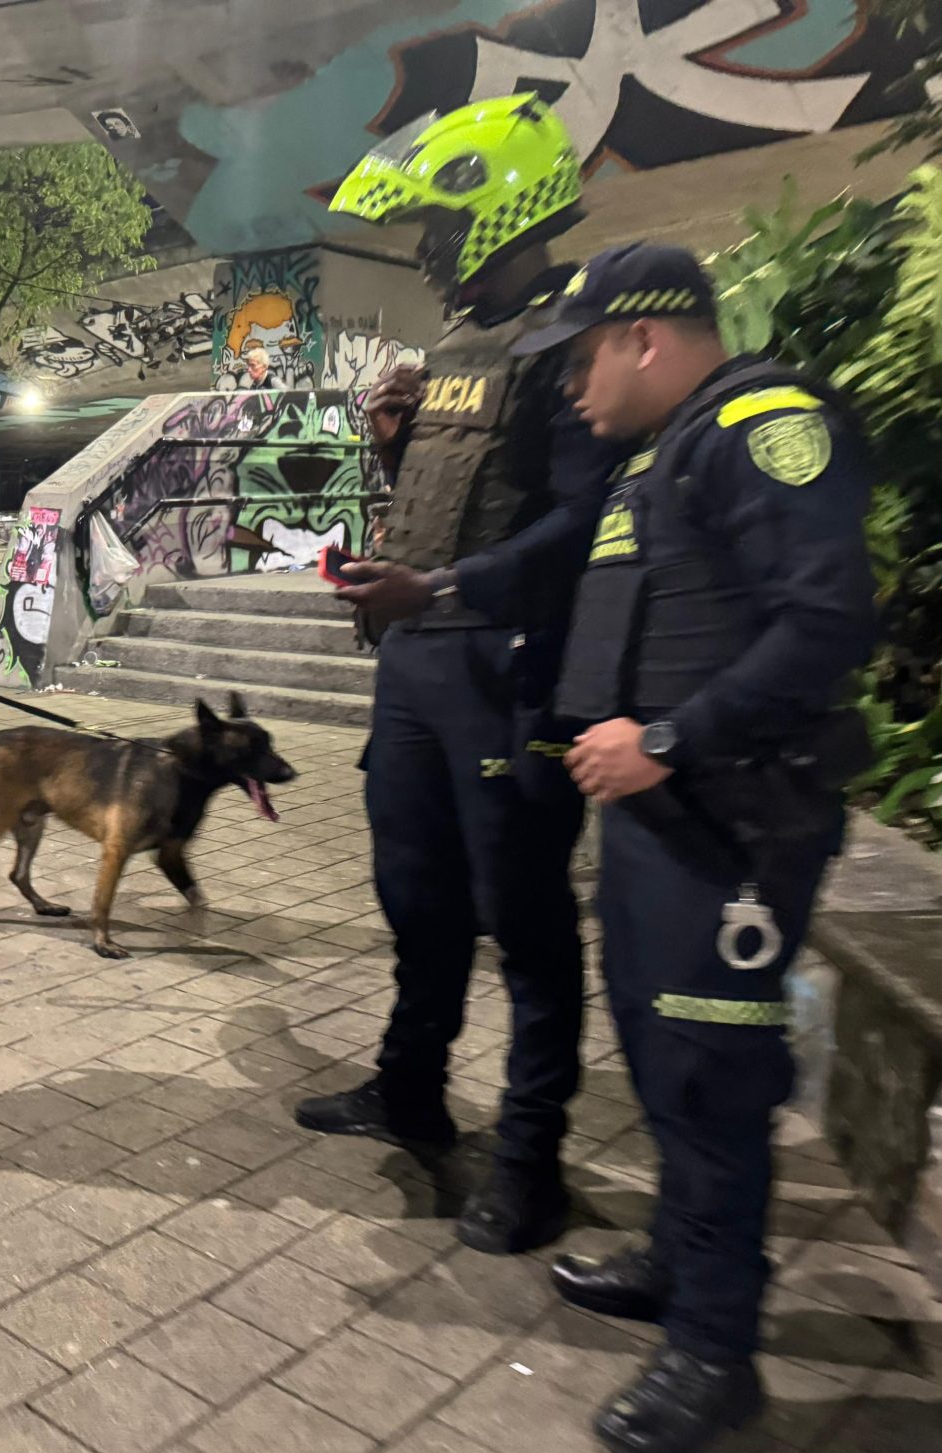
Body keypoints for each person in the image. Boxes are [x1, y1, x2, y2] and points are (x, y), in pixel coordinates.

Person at [511, 243, 873, 1453]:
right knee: (664, 1060)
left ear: (644, 338)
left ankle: (716, 1354)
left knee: (713, 1083)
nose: (568, 387)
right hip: (660, 823)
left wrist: (665, 739)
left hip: (732, 824)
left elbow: (823, 624)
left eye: (578, 358)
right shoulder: (660, 454)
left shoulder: (763, 430)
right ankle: (676, 1263)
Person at [293, 94, 620, 1255]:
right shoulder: (462, 348)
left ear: (498, 212)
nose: (426, 249)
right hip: (419, 674)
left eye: (438, 224)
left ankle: (527, 1163)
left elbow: (582, 526)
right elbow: (458, 501)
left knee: (523, 925)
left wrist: (432, 592)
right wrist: (390, 530)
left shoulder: (567, 346)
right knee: (414, 899)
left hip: (504, 675)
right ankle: (409, 1088)